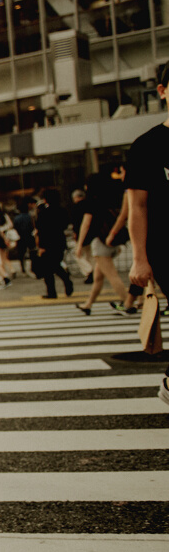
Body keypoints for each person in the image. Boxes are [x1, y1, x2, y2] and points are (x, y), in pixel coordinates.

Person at [125, 60, 169, 407]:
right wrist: (139, 258)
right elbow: (136, 207)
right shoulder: (147, 147)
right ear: (163, 92)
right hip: (166, 248)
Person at [74, 164, 131, 316]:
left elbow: (85, 225)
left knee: (112, 275)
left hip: (100, 243)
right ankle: (88, 304)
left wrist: (79, 245)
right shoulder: (110, 198)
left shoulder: (91, 201)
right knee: (98, 276)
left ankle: (128, 303)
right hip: (112, 242)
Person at [34, 188, 75, 299]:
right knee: (56, 265)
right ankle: (67, 281)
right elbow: (65, 225)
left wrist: (41, 246)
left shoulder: (44, 213)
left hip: (47, 243)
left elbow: (41, 230)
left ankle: (52, 292)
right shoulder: (62, 210)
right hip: (59, 241)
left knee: (48, 269)